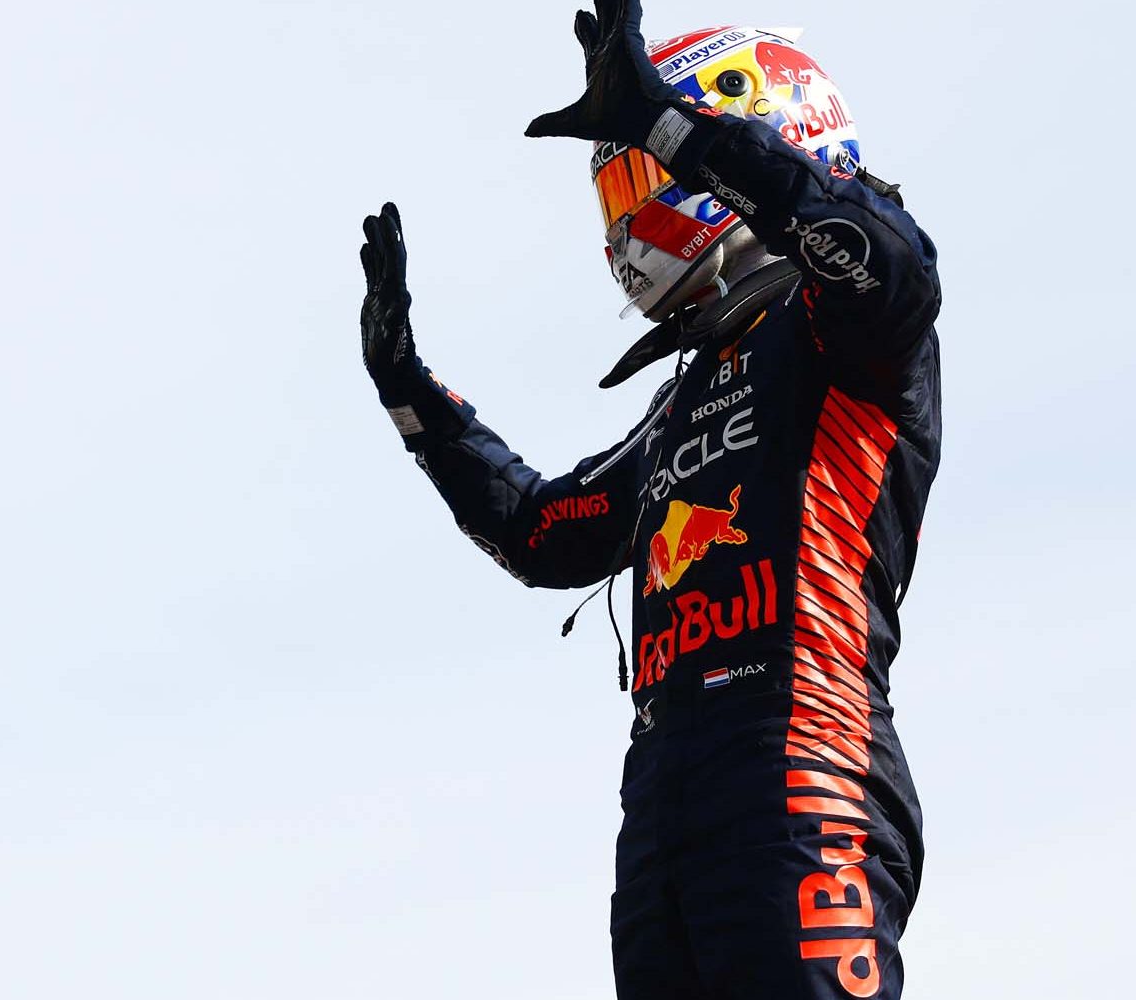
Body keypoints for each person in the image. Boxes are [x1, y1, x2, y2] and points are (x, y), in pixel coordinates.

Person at [357, 3, 941, 997]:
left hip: (800, 761)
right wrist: (410, 394)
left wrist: (673, 125)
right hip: (666, 803)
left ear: (771, 126)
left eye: (640, 175)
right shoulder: (678, 406)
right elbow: (539, 530)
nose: (626, 220)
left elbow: (880, 255)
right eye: (619, 183)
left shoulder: (856, 332)